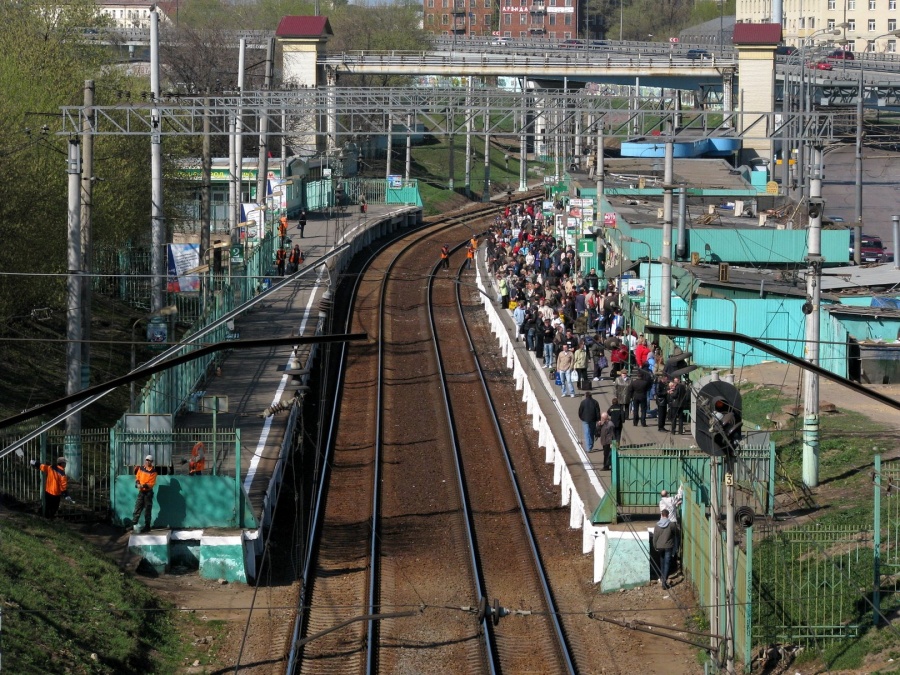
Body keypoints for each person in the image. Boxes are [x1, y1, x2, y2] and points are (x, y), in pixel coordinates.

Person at [653, 508, 678, 590]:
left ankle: (662, 577)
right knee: (667, 563)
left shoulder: (657, 525)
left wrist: (655, 546)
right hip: (668, 546)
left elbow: (655, 537)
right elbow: (675, 534)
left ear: (661, 515)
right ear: (668, 515)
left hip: (660, 546)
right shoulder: (671, 525)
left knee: (662, 561)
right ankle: (664, 582)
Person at [132, 455, 158, 533]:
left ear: (152, 462)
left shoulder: (153, 472)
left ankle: (147, 526)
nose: (147, 461)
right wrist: (137, 483)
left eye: (149, 460)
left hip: (148, 493)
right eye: (146, 460)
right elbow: (137, 477)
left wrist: (142, 485)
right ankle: (134, 524)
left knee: (147, 509)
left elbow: (151, 483)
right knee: (137, 507)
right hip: (141, 492)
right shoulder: (141, 468)